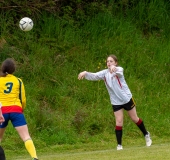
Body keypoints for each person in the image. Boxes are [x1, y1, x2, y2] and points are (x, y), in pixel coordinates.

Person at [78, 54, 152, 150]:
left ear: (116, 63)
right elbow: (95, 76)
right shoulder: (105, 73)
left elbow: (119, 71)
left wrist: (114, 68)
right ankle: (119, 145)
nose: (109, 63)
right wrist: (85, 73)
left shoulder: (119, 70)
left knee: (134, 119)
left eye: (111, 61)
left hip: (126, 99)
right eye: (108, 61)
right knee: (119, 121)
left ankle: (146, 134)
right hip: (115, 101)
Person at [0, 58, 38, 160]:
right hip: (16, 109)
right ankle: (34, 157)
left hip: (2, 111)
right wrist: (22, 109)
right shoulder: (18, 81)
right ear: (13, 69)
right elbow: (23, 99)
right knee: (26, 137)